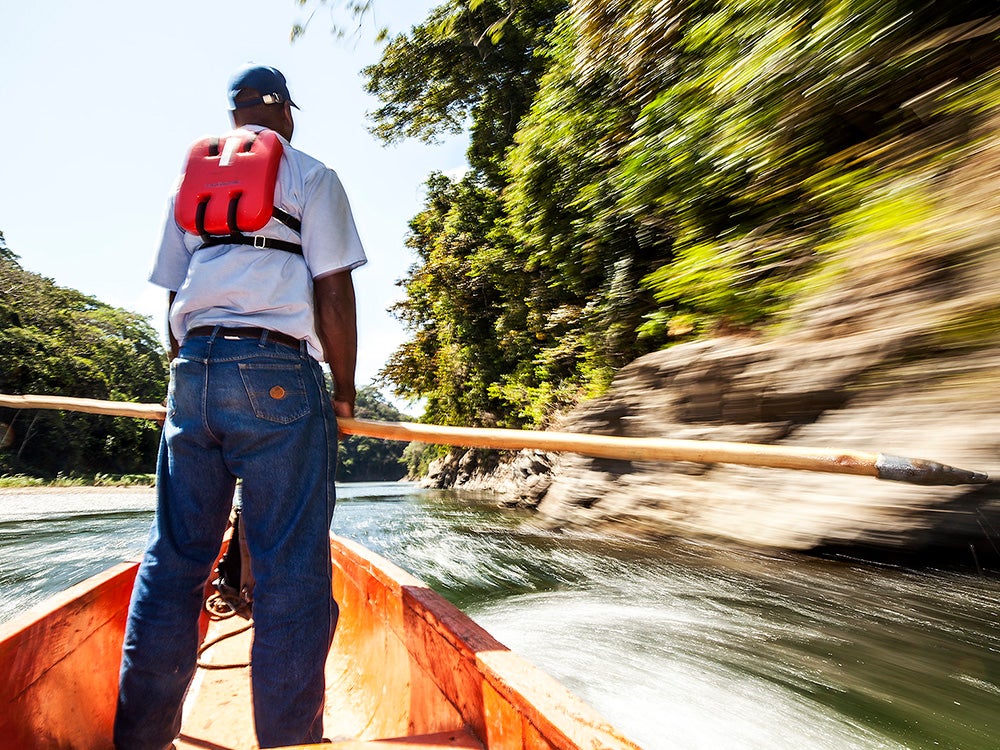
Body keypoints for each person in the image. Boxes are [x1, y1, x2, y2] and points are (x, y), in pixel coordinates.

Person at [114, 63, 367, 749]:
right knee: (289, 570)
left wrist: (188, 380)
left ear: (235, 118)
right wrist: (342, 394)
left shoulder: (190, 186)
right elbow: (334, 293)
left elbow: (172, 296)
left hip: (190, 370)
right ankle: (287, 740)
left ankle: (141, 739)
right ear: (285, 111)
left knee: (173, 563)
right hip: (277, 371)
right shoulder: (312, 175)